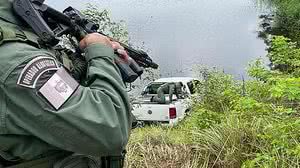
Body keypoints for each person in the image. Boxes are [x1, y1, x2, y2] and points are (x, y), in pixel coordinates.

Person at [0, 0, 132, 167]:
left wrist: (89, 61)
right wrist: (100, 53)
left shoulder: (21, 37)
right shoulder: (18, 59)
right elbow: (111, 129)